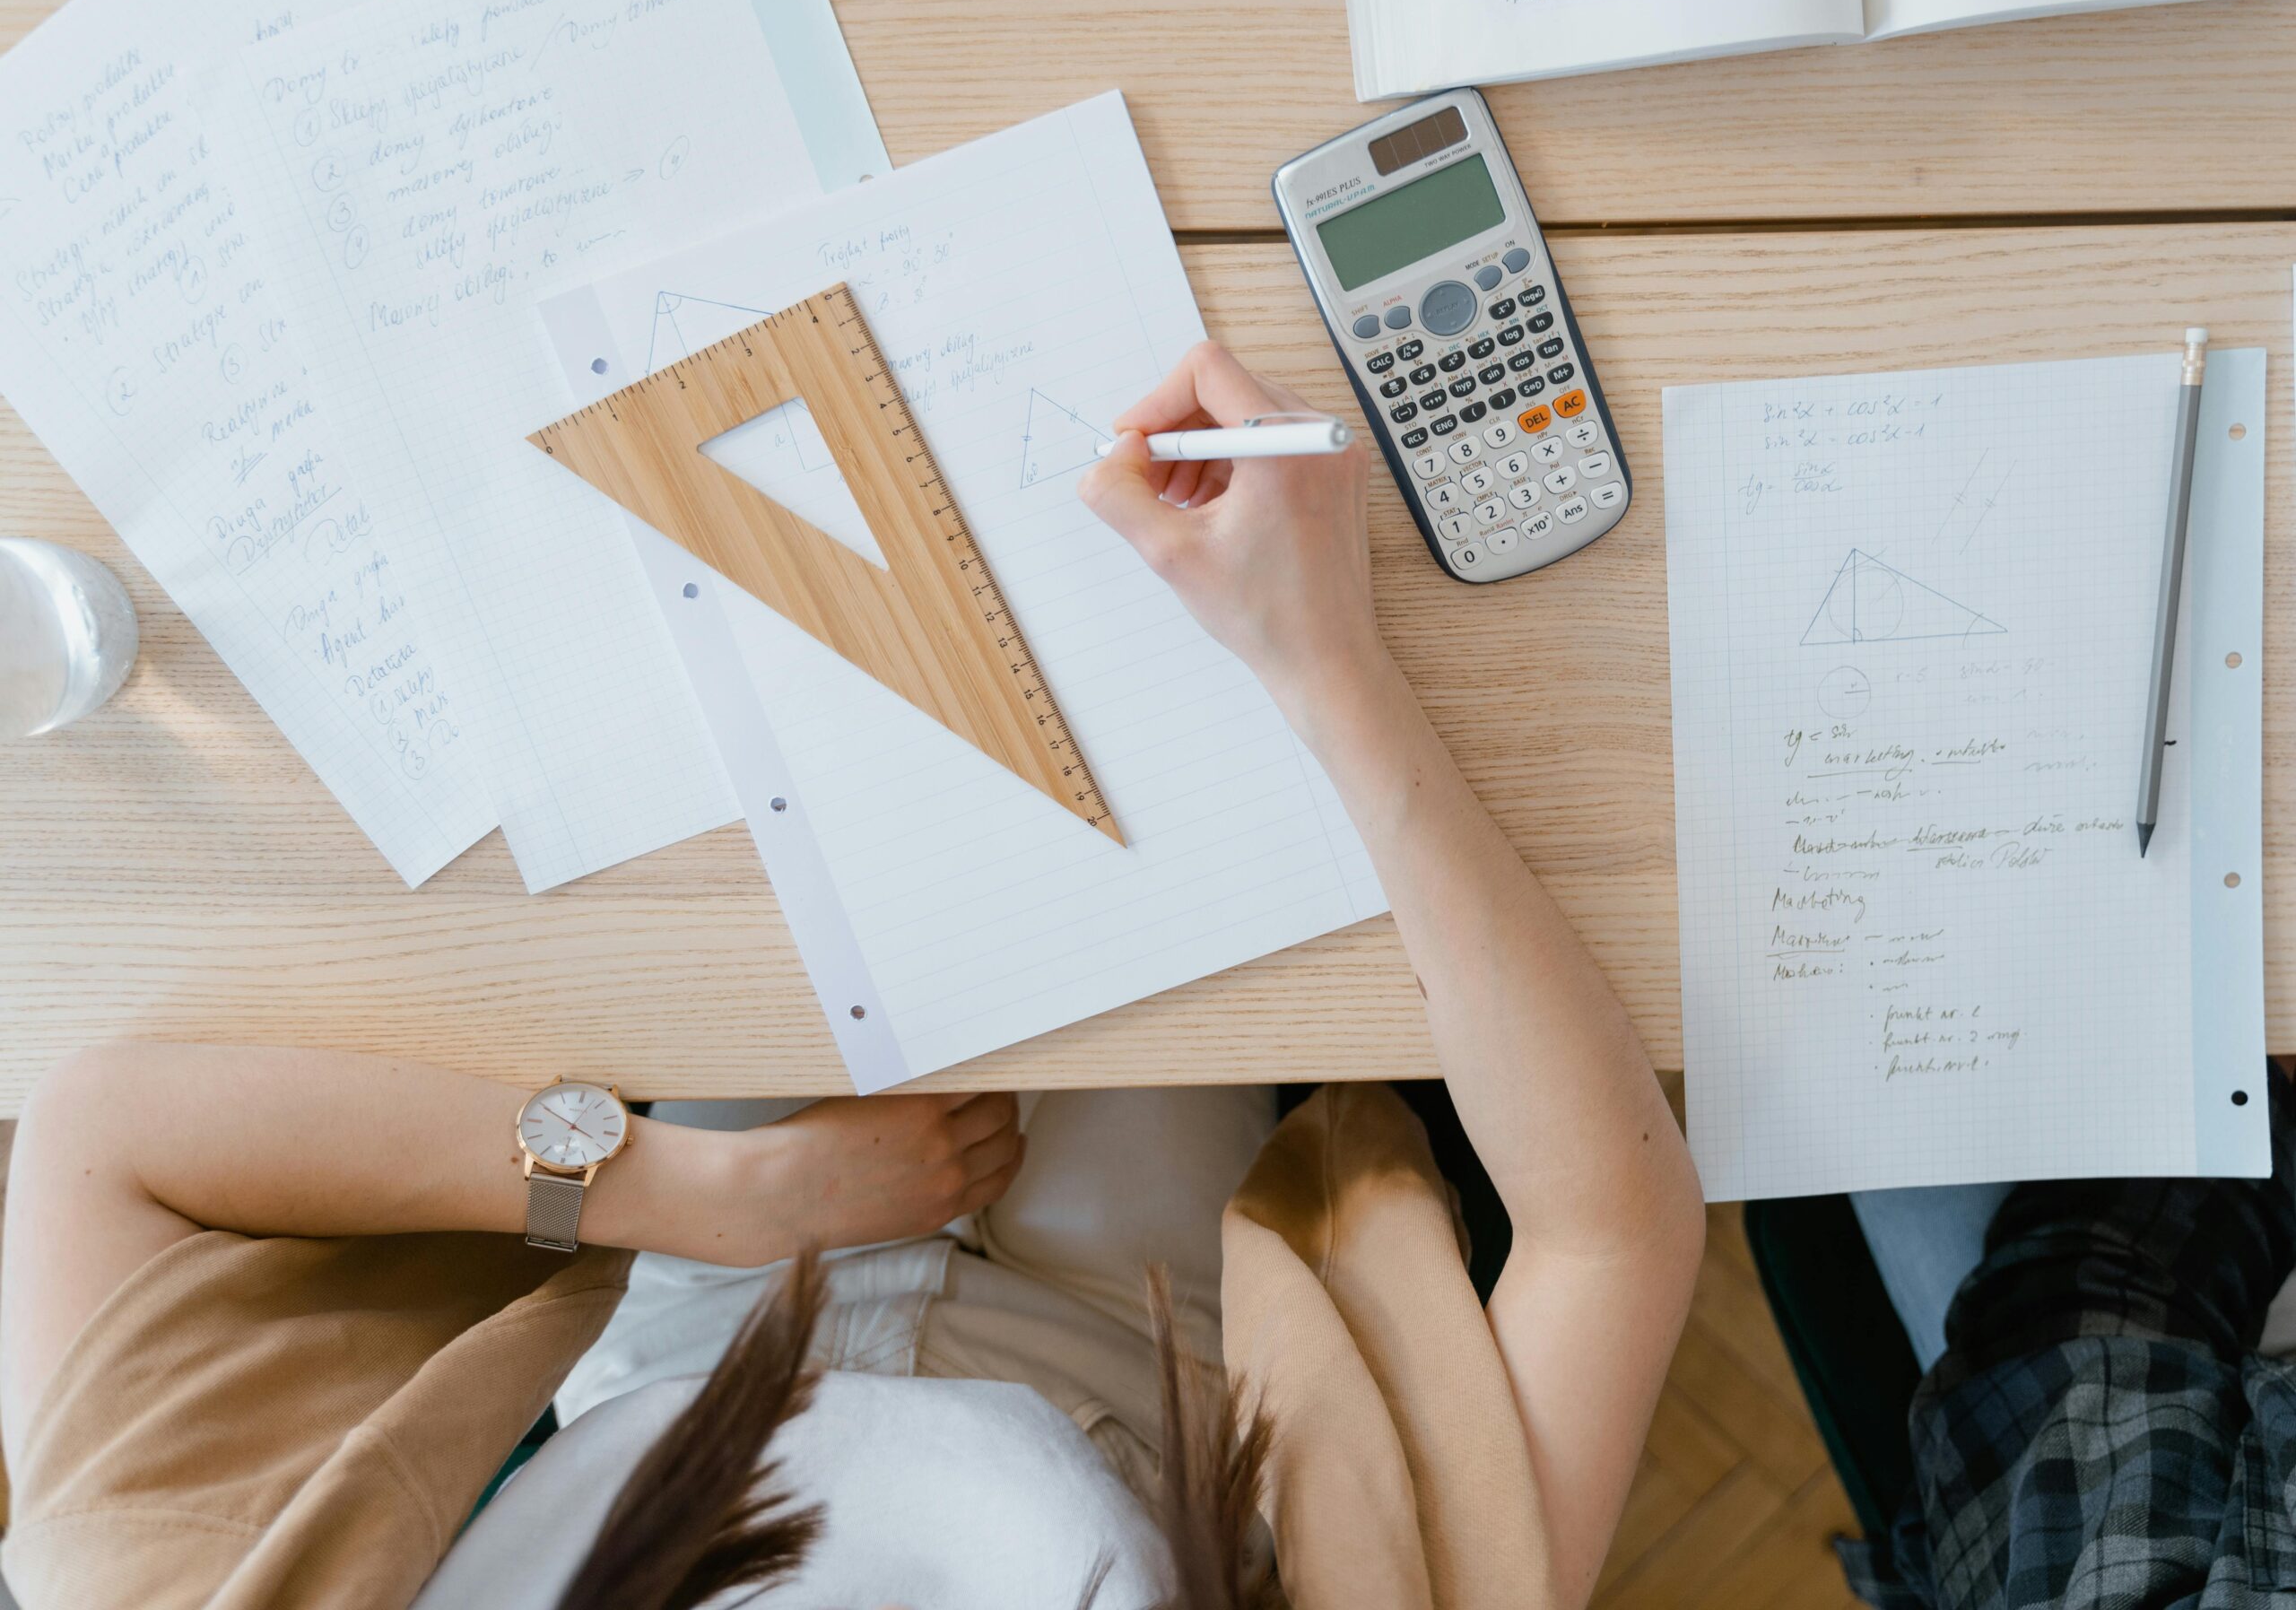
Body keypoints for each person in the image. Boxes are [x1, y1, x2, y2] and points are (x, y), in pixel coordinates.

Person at [0, 344, 1705, 1610]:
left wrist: (701, 1193)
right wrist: (1326, 664)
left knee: (684, 639)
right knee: (1154, 811)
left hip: (707, 1293)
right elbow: (1605, 1231)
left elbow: (106, 1141)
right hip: (1148, 1340)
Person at [1811, 1076, 2296, 1607]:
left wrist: (2260, 1101)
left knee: (1881, 1099)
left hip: (2057, 1396)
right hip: (2208, 1405)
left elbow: (2082, 1309)